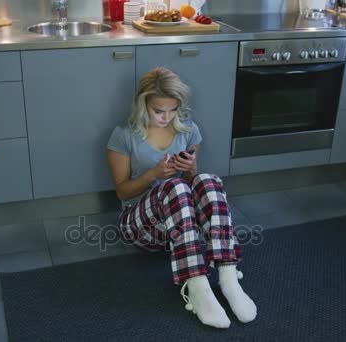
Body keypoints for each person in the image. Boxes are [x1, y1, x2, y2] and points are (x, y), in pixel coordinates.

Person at [106, 67, 257, 329]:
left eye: (173, 110)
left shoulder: (188, 131)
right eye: (158, 111)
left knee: (207, 180)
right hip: (140, 227)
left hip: (183, 228)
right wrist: (153, 174)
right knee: (174, 187)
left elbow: (194, 186)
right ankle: (197, 287)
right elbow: (122, 192)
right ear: (143, 105)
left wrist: (191, 169)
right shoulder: (123, 136)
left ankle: (228, 278)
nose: (166, 117)